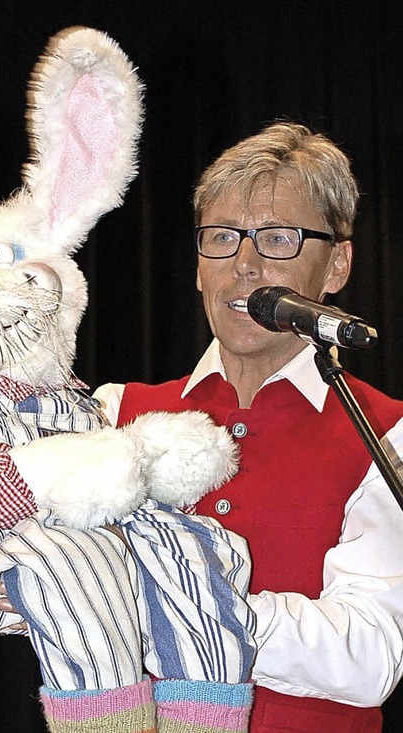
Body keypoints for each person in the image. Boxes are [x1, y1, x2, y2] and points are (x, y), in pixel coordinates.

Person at [89, 120, 403, 731]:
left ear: (336, 265)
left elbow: (372, 654)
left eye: (279, 238)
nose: (245, 265)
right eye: (222, 238)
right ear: (199, 266)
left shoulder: (386, 434)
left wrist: (196, 610)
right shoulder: (113, 411)